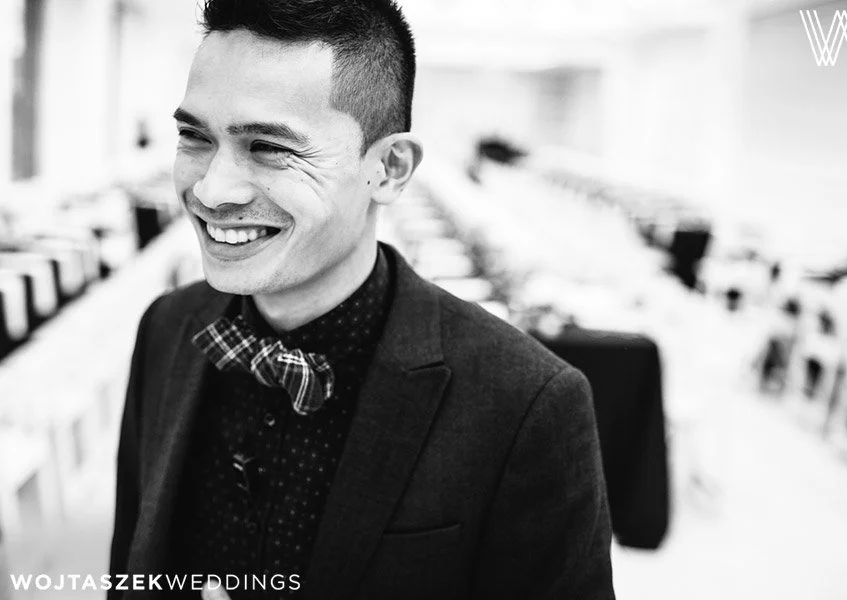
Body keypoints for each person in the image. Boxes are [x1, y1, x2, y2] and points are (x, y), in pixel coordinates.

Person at [109, 1, 615, 598]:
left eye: (270, 147)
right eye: (195, 137)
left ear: (389, 169)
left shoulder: (528, 404)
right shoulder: (167, 326)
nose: (212, 190)